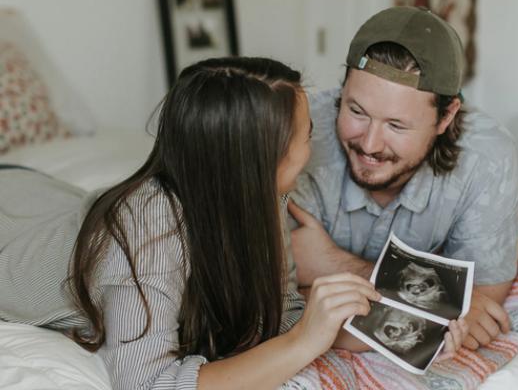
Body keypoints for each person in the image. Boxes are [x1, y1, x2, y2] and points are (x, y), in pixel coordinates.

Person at [0, 57, 467, 389]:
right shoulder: (150, 237)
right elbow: (148, 383)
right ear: (261, 160)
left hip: (48, 200)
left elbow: (279, 314)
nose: (314, 141)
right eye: (305, 135)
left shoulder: (262, 195)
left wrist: (403, 328)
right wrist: (304, 340)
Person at [288, 6, 518, 351]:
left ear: (446, 117)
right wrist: (436, 310)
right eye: (356, 111)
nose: (369, 144)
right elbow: (279, 307)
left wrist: (335, 266)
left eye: (396, 125)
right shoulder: (298, 137)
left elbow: (479, 308)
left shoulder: (488, 157)